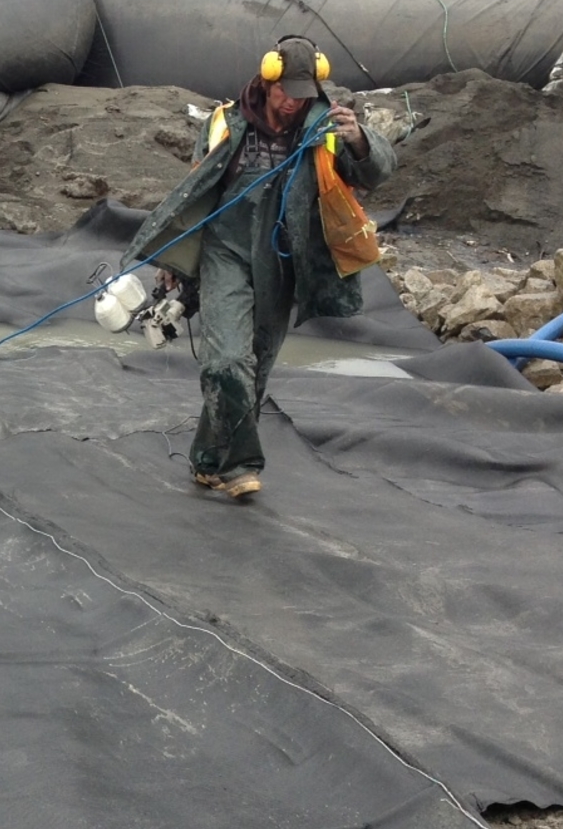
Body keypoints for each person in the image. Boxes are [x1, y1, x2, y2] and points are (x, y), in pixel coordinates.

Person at [118, 36, 396, 500]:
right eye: (285, 91)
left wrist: (361, 140)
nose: (292, 102)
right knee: (227, 360)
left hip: (283, 261)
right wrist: (175, 262)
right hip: (225, 253)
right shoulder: (225, 123)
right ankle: (241, 465)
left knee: (256, 368)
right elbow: (193, 192)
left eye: (302, 93)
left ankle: (209, 459)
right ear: (267, 80)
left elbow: (375, 172)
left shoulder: (324, 126)